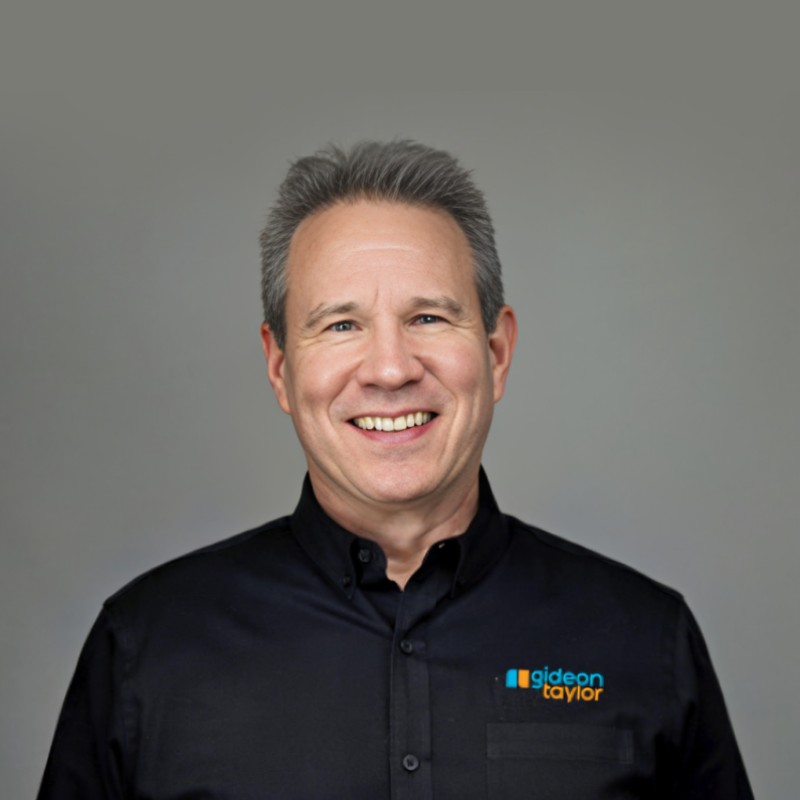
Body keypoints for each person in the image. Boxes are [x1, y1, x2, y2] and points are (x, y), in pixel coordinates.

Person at [38, 140, 754, 799]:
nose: (389, 369)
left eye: (429, 318)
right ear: (280, 366)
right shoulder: (146, 647)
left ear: (497, 353)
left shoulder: (644, 639)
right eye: (341, 325)